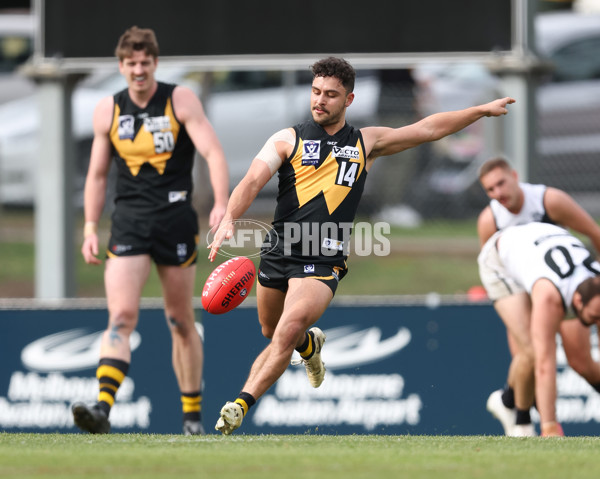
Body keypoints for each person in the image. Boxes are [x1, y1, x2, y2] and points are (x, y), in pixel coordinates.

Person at [207, 56, 515, 435]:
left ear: (348, 100)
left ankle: (239, 405)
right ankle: (309, 347)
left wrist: (479, 111)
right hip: (279, 251)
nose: (320, 100)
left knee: (286, 329)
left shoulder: (366, 142)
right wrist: (230, 217)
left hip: (323, 259)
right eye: (316, 92)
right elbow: (252, 181)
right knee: (273, 332)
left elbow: (428, 129)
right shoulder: (287, 139)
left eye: (331, 95)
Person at [71, 26, 229, 435]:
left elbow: (212, 152)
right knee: (121, 315)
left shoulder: (180, 99)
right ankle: (103, 408)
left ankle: (192, 417)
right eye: (131, 63)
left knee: (180, 319)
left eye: (145, 62)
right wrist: (90, 226)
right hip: (129, 221)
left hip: (175, 219)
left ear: (155, 63)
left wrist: (222, 204)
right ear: (121, 66)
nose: (138, 70)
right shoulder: (108, 109)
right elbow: (96, 175)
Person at [477, 158, 600, 436]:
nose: (498, 193)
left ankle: (507, 401)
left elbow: (594, 232)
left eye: (501, 183)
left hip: (566, 282)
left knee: (581, 362)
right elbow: (491, 264)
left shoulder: (550, 200)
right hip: (512, 276)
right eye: (490, 190)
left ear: (515, 176)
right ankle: (522, 421)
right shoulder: (490, 220)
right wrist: (551, 428)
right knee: (532, 353)